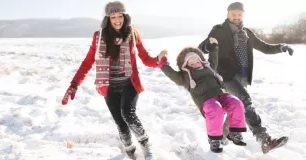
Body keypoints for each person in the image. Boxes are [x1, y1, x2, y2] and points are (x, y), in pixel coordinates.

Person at [61, 1, 162, 159]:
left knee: (128, 114)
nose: (117, 20)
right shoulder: (99, 37)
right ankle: (131, 152)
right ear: (107, 19)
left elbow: (146, 58)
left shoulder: (132, 34)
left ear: (125, 16)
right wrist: (74, 85)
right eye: (113, 16)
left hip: (130, 83)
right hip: (109, 87)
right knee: (121, 125)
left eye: (119, 15)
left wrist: (158, 60)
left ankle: (147, 146)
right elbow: (88, 62)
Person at [198, 2, 293, 154]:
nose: (236, 17)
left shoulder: (247, 32)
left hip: (242, 77)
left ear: (243, 15)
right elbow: (201, 47)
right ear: (227, 14)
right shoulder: (219, 30)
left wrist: (280, 47)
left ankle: (219, 141)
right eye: (233, 14)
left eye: (239, 14)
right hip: (225, 76)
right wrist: (208, 46)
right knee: (245, 100)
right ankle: (264, 139)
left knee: (236, 108)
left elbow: (265, 47)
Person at [157, 39, 247, 153]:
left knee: (236, 103)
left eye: (197, 61)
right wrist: (162, 61)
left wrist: (213, 46)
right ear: (186, 66)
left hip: (220, 95)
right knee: (215, 109)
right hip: (206, 101)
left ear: (201, 60)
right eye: (191, 63)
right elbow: (172, 74)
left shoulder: (209, 68)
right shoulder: (185, 77)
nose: (195, 64)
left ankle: (234, 132)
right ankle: (214, 140)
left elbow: (213, 58)